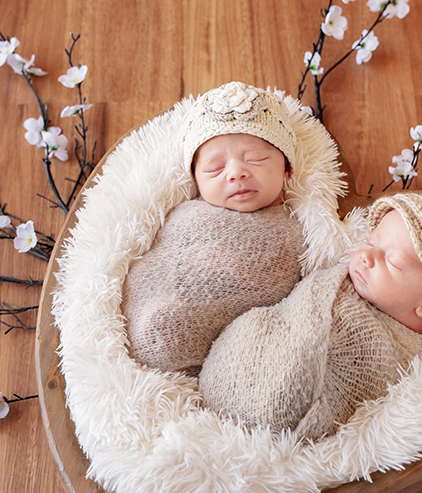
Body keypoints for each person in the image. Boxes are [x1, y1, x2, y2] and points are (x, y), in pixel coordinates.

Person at [198, 191, 422, 440]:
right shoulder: (344, 278)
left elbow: (361, 391)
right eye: (372, 242)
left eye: (392, 261)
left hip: (280, 405)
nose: (367, 256)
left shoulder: (400, 350)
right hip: (248, 352)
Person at [122, 82, 306, 376]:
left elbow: (286, 287)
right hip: (153, 318)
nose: (236, 173)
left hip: (236, 354)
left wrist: (237, 269)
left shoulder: (295, 228)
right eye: (215, 168)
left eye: (256, 159)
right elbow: (159, 263)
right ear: (196, 180)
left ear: (287, 168)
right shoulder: (187, 214)